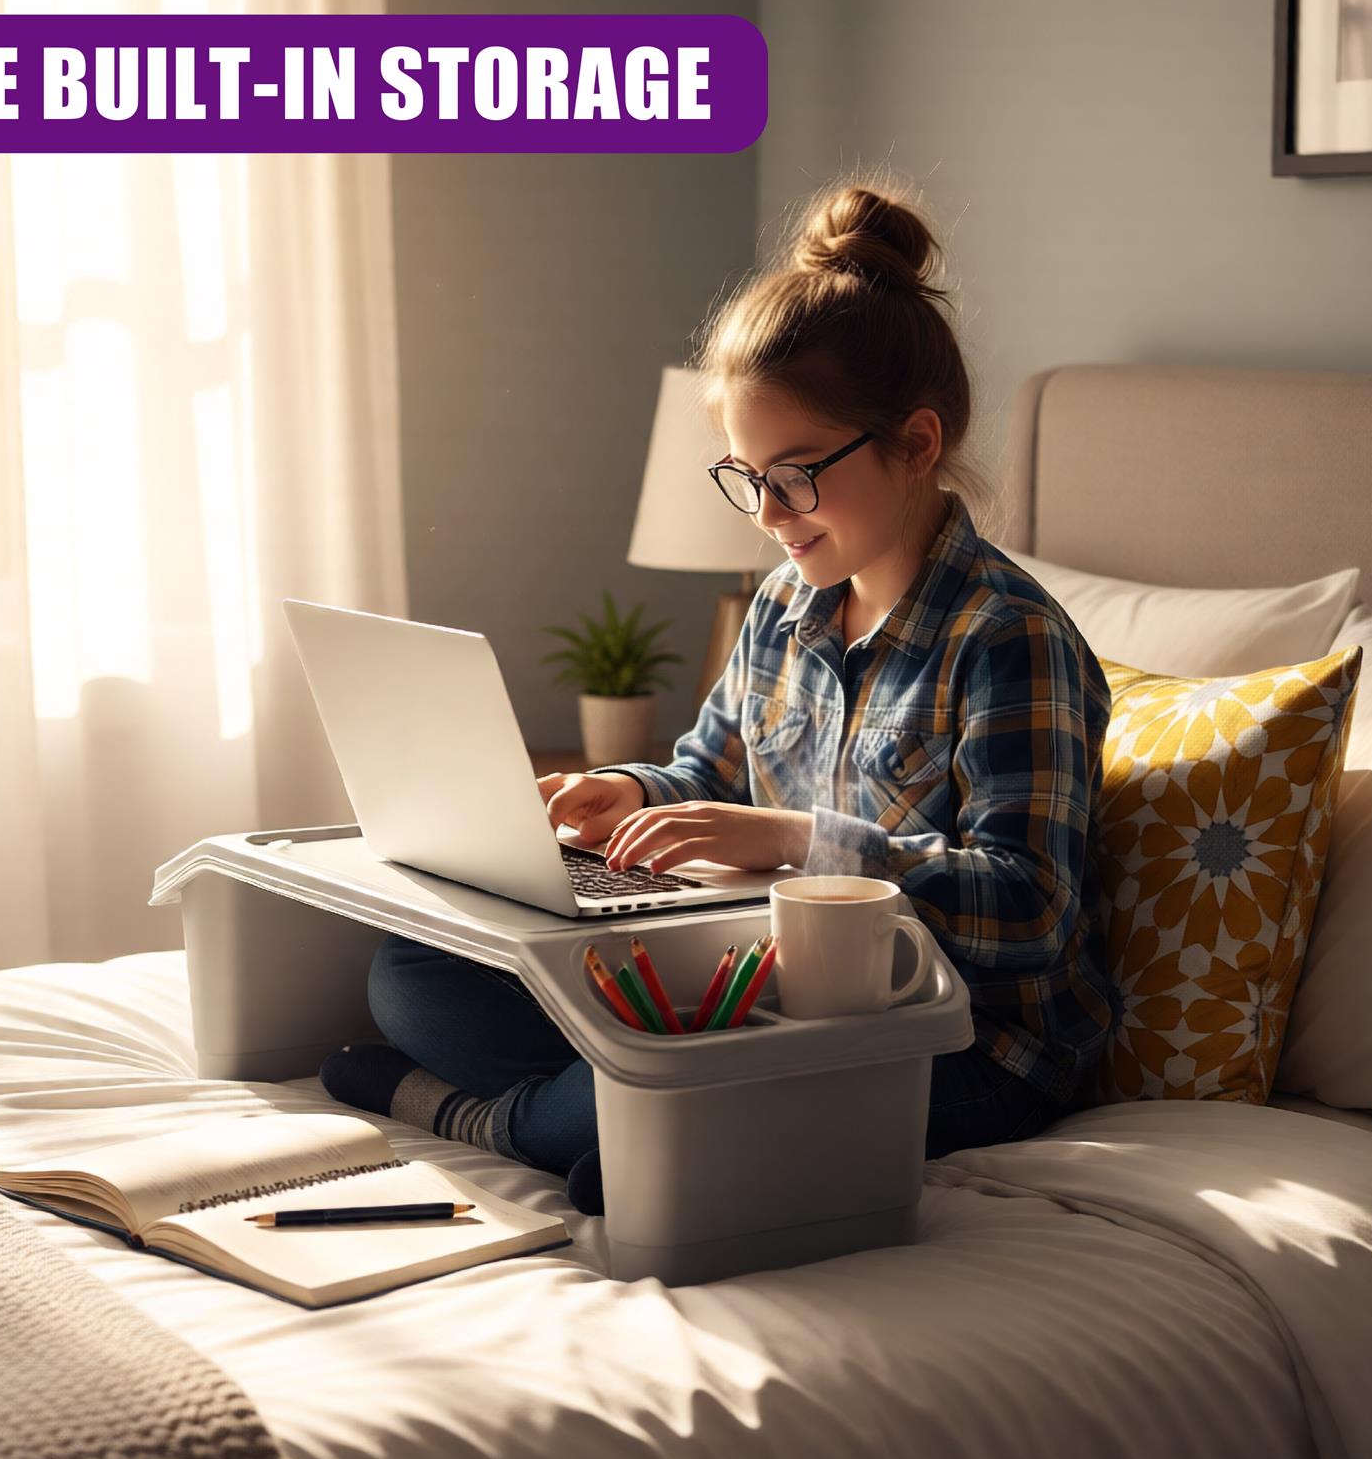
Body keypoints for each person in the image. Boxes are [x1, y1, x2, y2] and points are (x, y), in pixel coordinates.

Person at [319, 178, 1120, 1216]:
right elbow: (707, 776)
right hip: (762, 990)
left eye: (794, 476)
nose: (768, 515)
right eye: (744, 478)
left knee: (629, 1116)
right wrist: (627, 792)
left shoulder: (1009, 640)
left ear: (916, 446)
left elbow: (1031, 912)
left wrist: (796, 843)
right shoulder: (787, 603)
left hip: (961, 1042)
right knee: (412, 974)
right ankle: (608, 1118)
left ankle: (509, 1123)